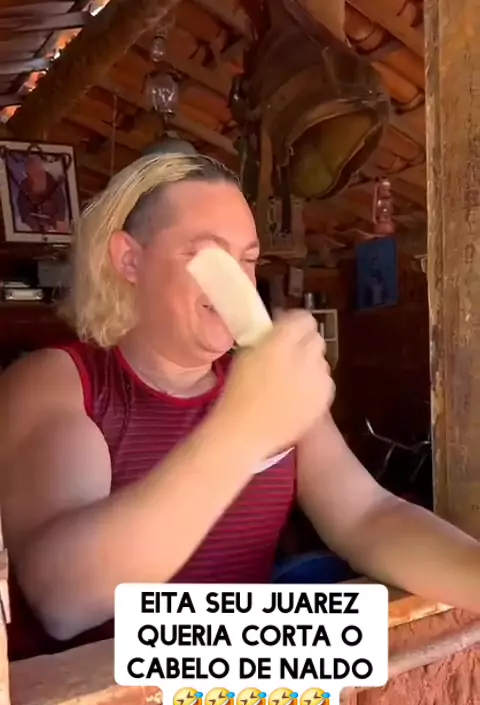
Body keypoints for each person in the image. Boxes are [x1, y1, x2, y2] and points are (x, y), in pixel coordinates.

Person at [0, 153, 479, 660]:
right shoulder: (57, 383)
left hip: (245, 683)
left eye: (248, 259)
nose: (239, 279)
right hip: (104, 700)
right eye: (208, 255)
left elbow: (366, 516)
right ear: (130, 260)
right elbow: (64, 600)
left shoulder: (265, 382)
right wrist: (244, 428)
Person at [15, 153, 67, 234]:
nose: (34, 180)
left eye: (37, 174)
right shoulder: (23, 190)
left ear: (43, 172)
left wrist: (54, 224)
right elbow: (24, 214)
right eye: (30, 175)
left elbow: (60, 211)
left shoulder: (55, 187)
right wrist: (35, 226)